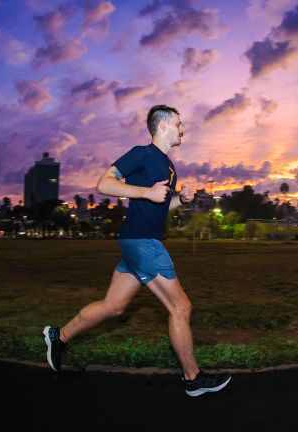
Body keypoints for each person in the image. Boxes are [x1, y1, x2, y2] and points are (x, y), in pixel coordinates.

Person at [43, 104, 231, 397]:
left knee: (113, 306)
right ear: (164, 125)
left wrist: (180, 200)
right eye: (179, 123)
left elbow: (159, 205)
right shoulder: (141, 153)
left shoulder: (169, 167)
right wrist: (144, 191)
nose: (183, 128)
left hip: (138, 241)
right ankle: (192, 379)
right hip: (143, 242)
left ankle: (59, 335)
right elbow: (104, 184)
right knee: (180, 307)